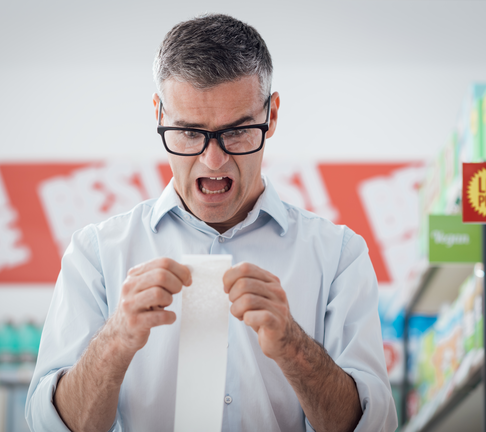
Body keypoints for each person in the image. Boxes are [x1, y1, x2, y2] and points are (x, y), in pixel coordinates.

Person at [26, 13, 397, 432]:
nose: (213, 160)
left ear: (271, 116)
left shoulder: (338, 257)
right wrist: (114, 342)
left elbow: (375, 425)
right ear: (159, 115)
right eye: (188, 133)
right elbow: (47, 425)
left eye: (237, 131)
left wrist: (294, 347)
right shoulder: (96, 254)